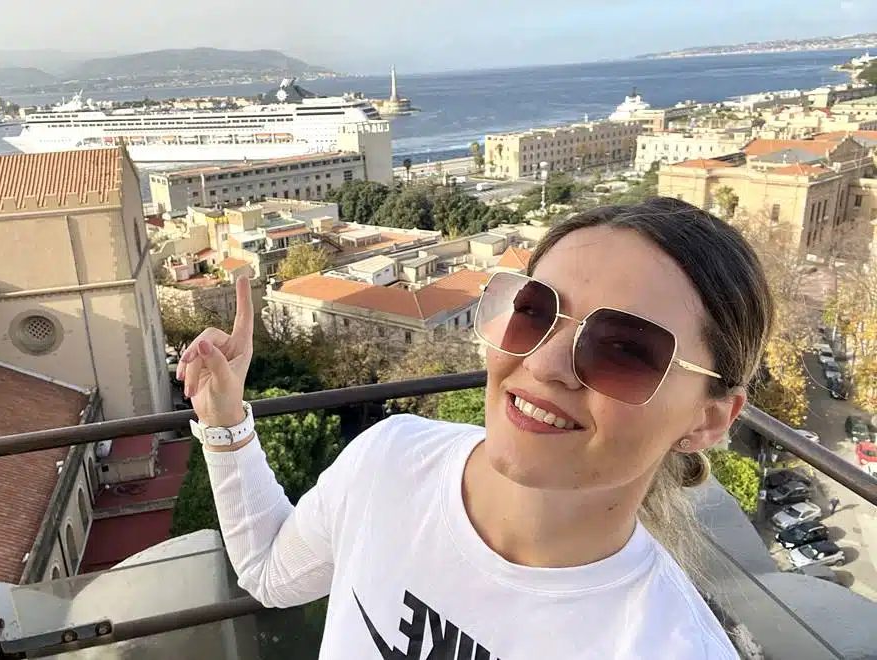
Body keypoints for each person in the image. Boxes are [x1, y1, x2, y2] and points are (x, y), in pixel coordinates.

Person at [177, 197, 773, 659]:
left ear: (708, 418)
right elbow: (271, 574)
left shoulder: (666, 644)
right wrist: (224, 421)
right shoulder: (391, 460)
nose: (541, 364)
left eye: (622, 349)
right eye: (533, 312)